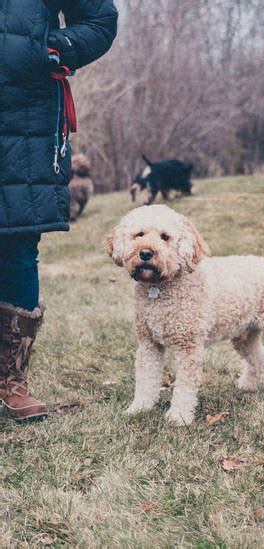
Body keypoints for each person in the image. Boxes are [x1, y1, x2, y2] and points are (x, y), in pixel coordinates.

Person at [0, 0, 118, 421]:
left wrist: (51, 47)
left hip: (27, 123)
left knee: (16, 245)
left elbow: (102, 19)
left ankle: (12, 381)